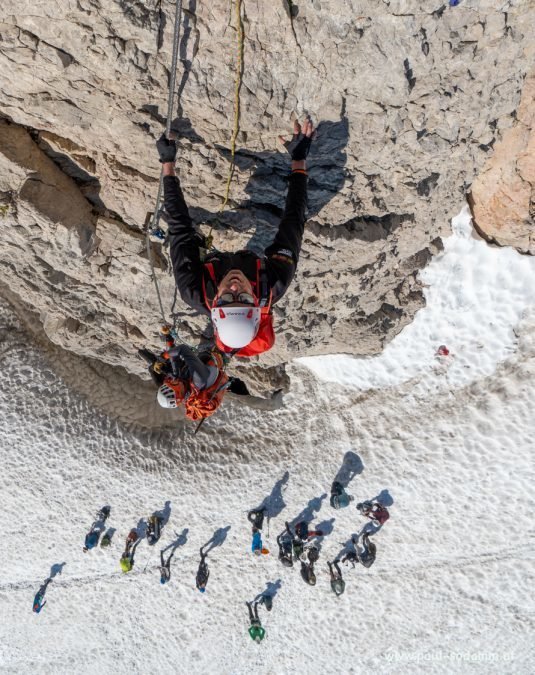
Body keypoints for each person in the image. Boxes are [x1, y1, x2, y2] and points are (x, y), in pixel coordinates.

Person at [157, 117, 315, 357]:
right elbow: (292, 222)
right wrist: (299, 160)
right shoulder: (274, 283)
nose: (234, 286)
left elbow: (180, 229)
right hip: (251, 260)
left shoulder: (194, 290)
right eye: (242, 296)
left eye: (227, 297)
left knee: (190, 241)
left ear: (214, 304)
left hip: (211, 264)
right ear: (256, 303)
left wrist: (167, 164)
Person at [139, 337, 249, 421]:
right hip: (210, 362)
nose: (172, 380)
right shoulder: (198, 381)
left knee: (163, 371)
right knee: (204, 355)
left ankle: (152, 363)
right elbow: (183, 349)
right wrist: (164, 357)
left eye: (170, 382)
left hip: (194, 376)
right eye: (173, 383)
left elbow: (175, 364)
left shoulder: (181, 389)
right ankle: (224, 353)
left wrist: (169, 340)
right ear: (178, 391)